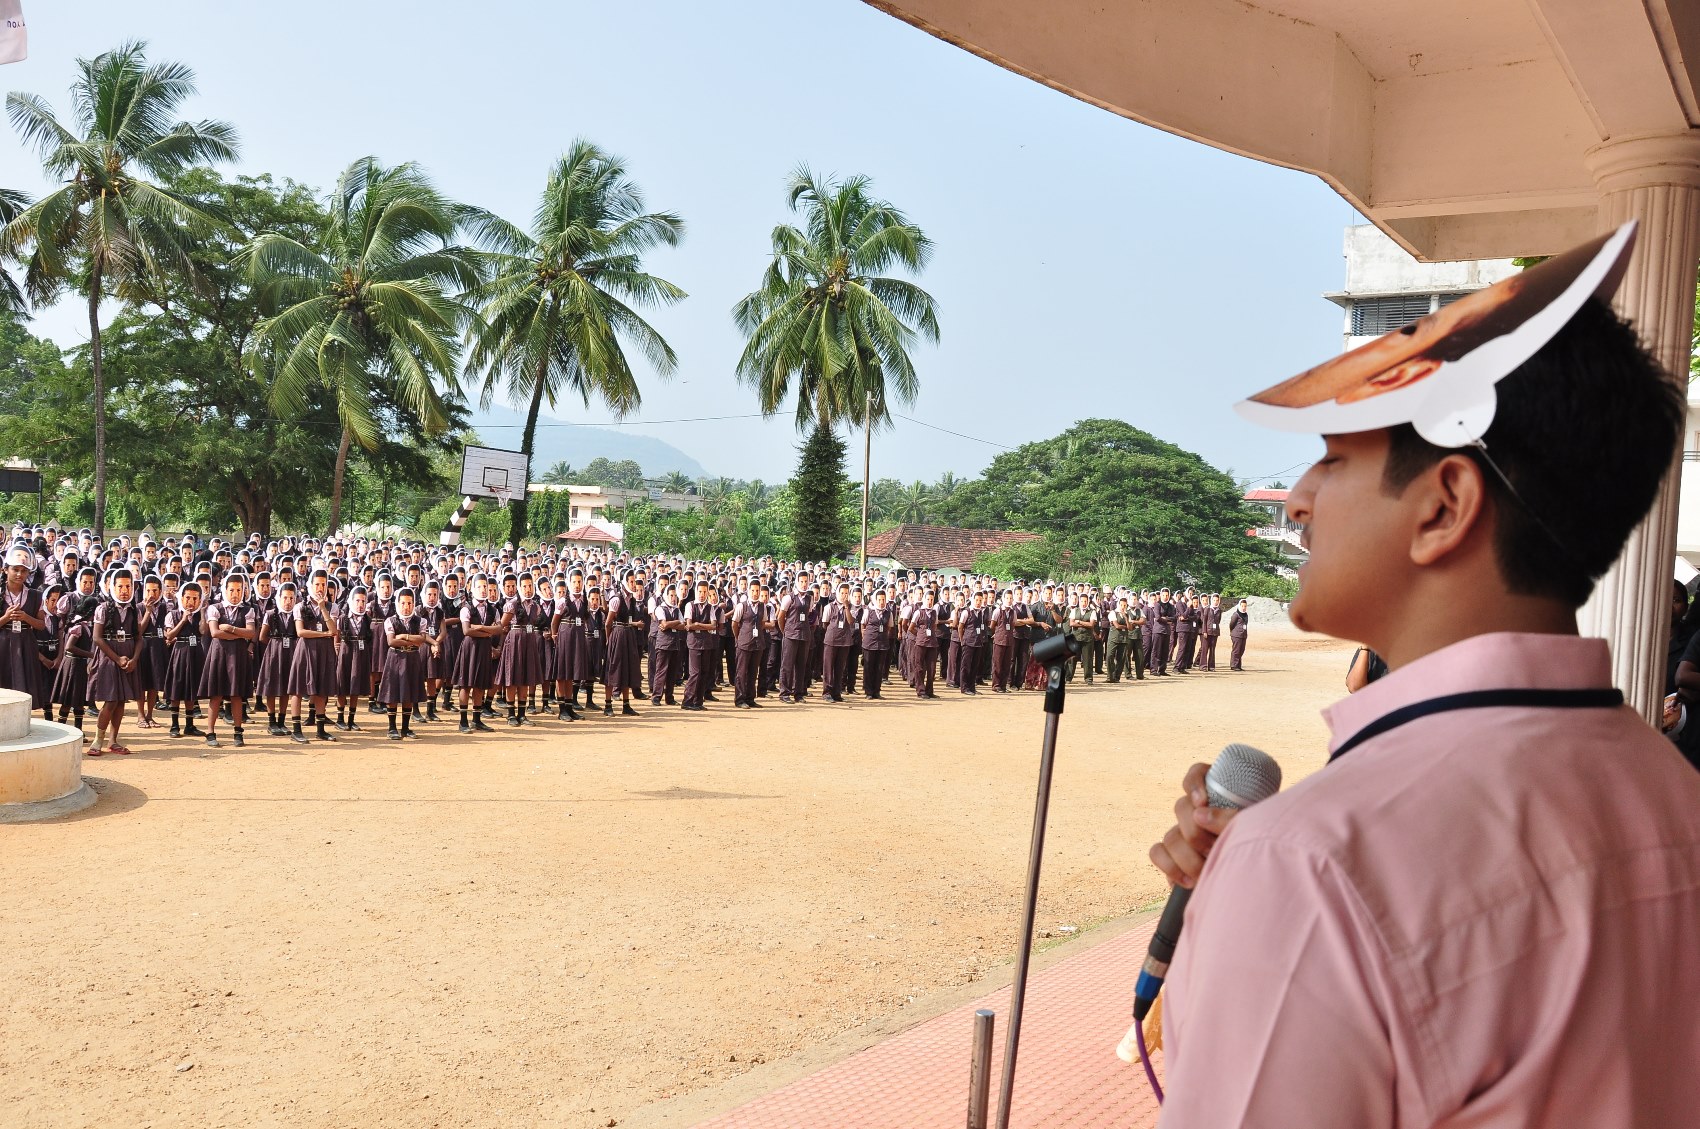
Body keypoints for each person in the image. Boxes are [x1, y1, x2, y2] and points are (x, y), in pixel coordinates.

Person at [1146, 274, 1700, 1124]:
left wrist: (1260, 911)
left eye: (1334, 458)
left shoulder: (1311, 865)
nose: (1298, 497)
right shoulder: (1674, 790)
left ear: (1444, 507)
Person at [1227, 597, 1250, 671]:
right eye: (1242, 606)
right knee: (1236, 650)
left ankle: (1238, 665)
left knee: (1241, 650)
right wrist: (1233, 632)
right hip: (1236, 635)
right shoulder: (1236, 614)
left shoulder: (1246, 615)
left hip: (1243, 635)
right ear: (1239, 606)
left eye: (1245, 606)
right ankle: (1234, 665)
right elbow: (1231, 624)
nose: (1243, 608)